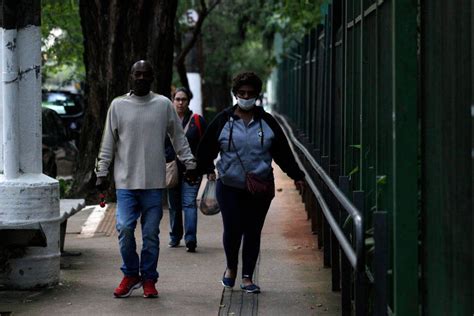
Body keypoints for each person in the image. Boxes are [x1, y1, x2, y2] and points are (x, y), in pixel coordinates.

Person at [95, 60, 199, 299]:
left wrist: (190, 164)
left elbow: (179, 138)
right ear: (130, 77)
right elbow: (108, 143)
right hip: (125, 184)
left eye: (145, 75)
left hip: (153, 184)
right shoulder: (118, 106)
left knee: (151, 234)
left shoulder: (163, 105)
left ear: (152, 77)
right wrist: (101, 173)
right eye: (137, 74)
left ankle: (149, 278)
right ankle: (131, 274)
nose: (141, 78)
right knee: (124, 229)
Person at [196, 71, 305, 294]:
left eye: (250, 93)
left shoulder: (267, 122)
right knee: (233, 229)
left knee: (253, 231)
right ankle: (231, 268)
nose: (246, 97)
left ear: (257, 95)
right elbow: (206, 148)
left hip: (260, 188)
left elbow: (282, 153)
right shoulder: (223, 121)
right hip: (229, 187)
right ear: (235, 94)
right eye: (242, 93)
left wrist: (297, 175)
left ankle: (247, 277)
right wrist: (201, 170)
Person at [165, 87, 212, 252]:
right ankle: (175, 236)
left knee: (189, 203)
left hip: (193, 171)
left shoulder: (197, 121)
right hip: (172, 170)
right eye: (177, 99)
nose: (180, 102)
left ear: (188, 101)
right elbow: (160, 144)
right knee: (174, 206)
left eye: (183, 99)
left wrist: (209, 168)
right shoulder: (167, 121)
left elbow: (207, 146)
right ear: (172, 101)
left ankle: (190, 239)